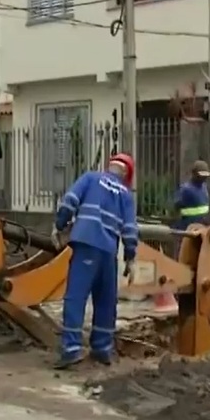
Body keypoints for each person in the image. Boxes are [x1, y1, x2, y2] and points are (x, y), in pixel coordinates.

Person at [50, 152, 139, 369]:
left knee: (76, 297)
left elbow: (70, 201)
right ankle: (102, 348)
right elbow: (129, 229)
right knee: (106, 300)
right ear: (127, 175)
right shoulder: (126, 195)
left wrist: (60, 226)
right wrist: (130, 258)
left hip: (86, 245)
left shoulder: (90, 178)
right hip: (108, 251)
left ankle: (71, 349)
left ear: (109, 167)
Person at [174, 160, 210, 231]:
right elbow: (176, 207)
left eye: (205, 176)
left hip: (202, 228)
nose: (204, 178)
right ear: (194, 174)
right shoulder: (186, 189)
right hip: (187, 229)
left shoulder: (204, 187)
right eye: (201, 176)